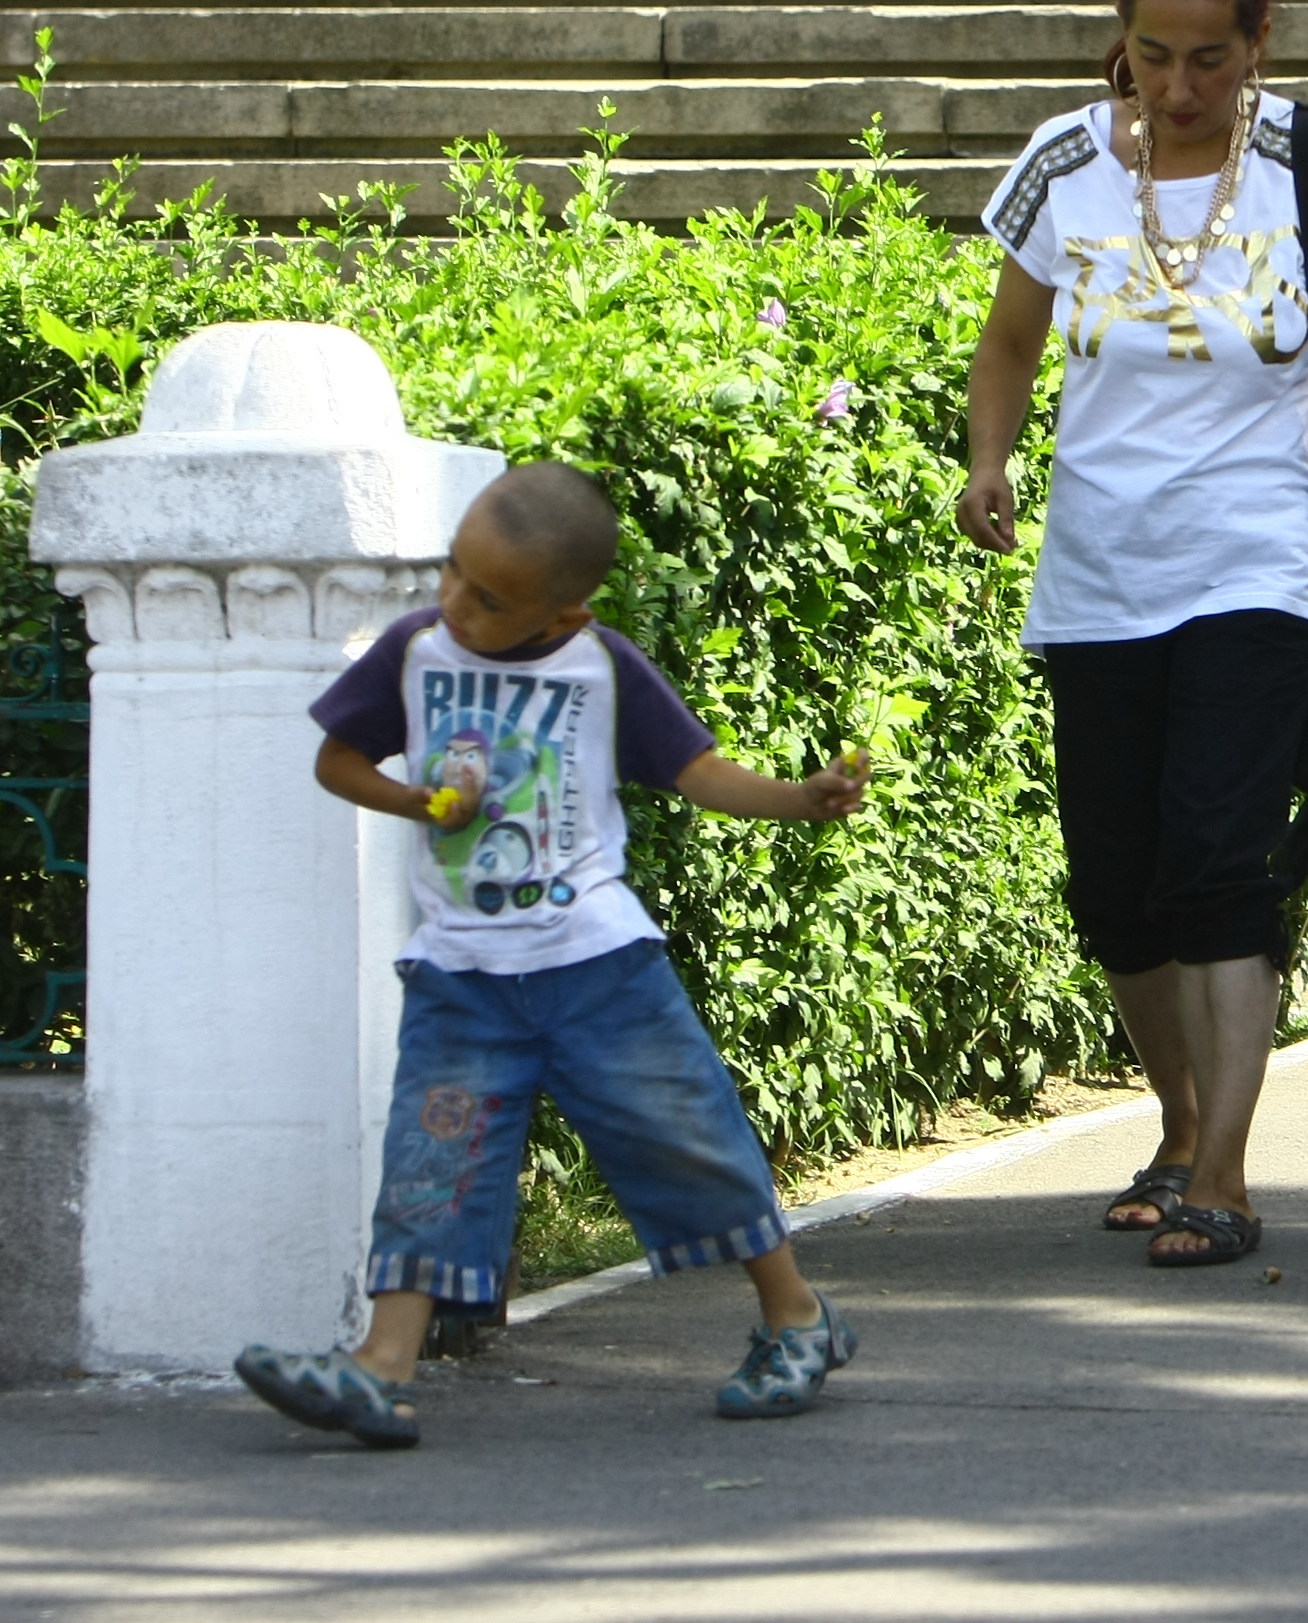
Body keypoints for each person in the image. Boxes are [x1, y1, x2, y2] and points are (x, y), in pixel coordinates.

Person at [231, 463, 871, 1443]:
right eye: (452, 574)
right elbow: (337, 758)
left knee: (690, 1135)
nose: (455, 605)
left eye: (488, 600)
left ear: (564, 616)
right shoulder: (413, 652)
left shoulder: (599, 666)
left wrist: (799, 795)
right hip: (461, 977)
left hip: (599, 966)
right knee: (428, 1163)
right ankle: (381, 1366)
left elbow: (699, 773)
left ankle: (797, 1317)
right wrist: (408, 800)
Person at [956, 0, 1308, 1269]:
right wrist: (988, 461)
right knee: (1116, 887)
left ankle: (1225, 1172)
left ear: (1258, 47)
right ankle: (1176, 1120)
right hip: (1101, 574)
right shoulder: (1063, 162)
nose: (1178, 87)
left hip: (1256, 566)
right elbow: (1007, 340)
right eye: (1152, 56)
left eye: (1209, 60)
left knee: (1220, 862)